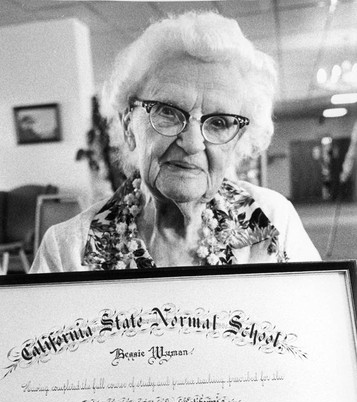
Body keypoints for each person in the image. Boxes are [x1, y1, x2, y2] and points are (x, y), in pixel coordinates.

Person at [31, 11, 320, 273]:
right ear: (129, 125)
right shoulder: (67, 249)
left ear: (237, 140)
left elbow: (316, 324)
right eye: (168, 112)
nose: (192, 143)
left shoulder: (272, 221)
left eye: (219, 122)